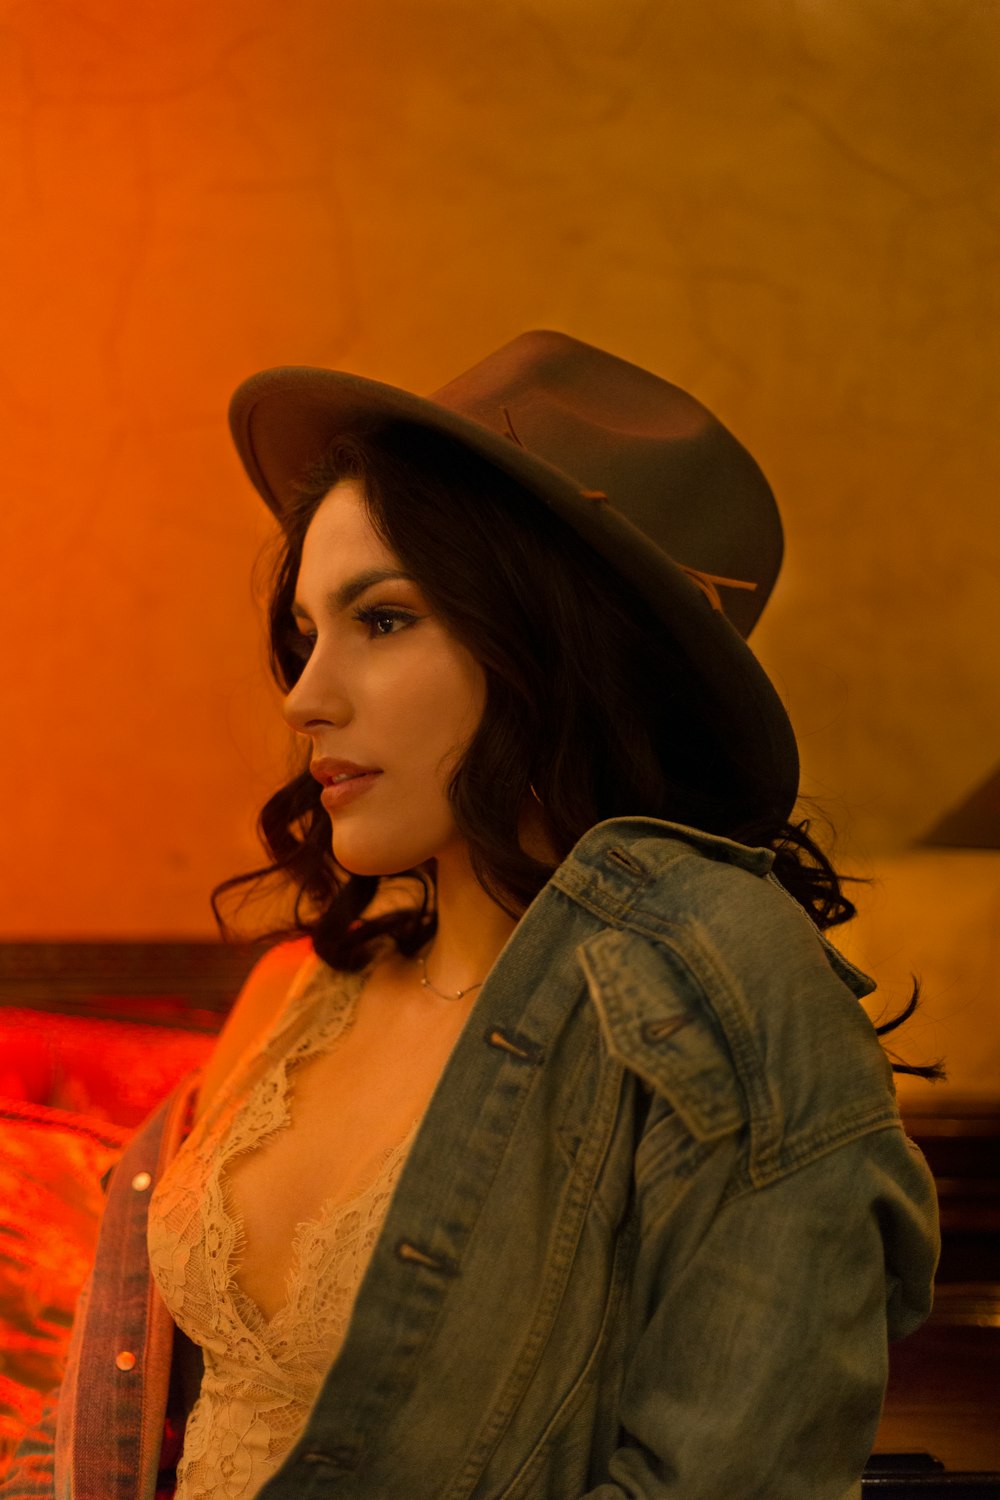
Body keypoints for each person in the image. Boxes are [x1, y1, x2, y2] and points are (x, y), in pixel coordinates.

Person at [3, 331, 940, 1500]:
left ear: (556, 645)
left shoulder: (726, 991)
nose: (304, 695)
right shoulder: (299, 990)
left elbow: (731, 1477)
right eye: (306, 632)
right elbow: (120, 1407)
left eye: (383, 621)